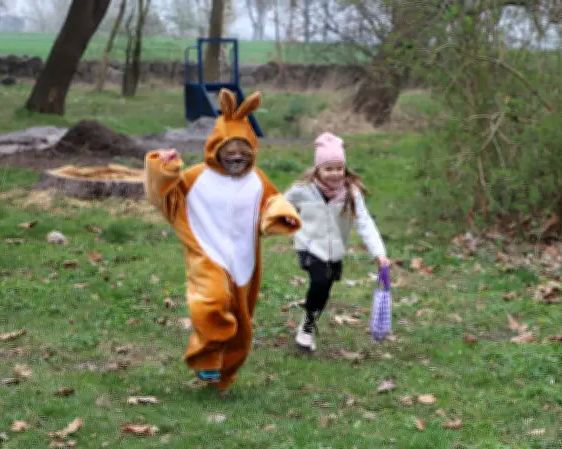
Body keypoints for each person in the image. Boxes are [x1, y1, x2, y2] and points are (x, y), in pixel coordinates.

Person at [144, 88, 301, 392]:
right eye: (229, 150)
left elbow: (272, 201)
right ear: (215, 148)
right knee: (212, 302)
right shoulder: (194, 178)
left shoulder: (258, 180)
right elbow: (163, 194)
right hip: (206, 254)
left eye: (245, 150)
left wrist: (279, 215)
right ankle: (205, 358)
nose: (237, 156)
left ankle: (225, 373)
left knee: (242, 326)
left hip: (245, 261)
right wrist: (162, 168)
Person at [283, 131, 388, 352]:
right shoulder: (302, 190)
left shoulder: (350, 193)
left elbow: (365, 223)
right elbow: (280, 206)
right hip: (309, 246)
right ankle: (307, 329)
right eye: (328, 169)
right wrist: (280, 220)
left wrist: (379, 253)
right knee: (319, 280)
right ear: (317, 169)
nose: (334, 174)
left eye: (338, 168)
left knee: (324, 289)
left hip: (335, 251)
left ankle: (309, 321)